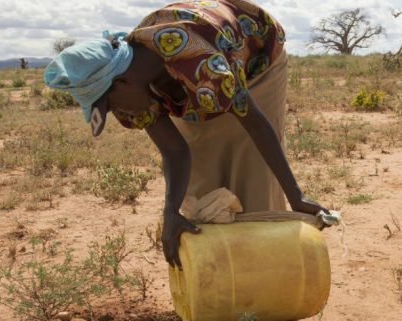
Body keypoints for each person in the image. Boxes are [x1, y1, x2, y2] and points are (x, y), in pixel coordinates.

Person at [43, 0, 328, 268]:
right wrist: (171, 212)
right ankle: (219, 276)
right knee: (203, 174)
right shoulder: (133, 88)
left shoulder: (199, 62)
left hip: (256, 58)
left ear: (122, 82)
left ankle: (265, 270)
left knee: (249, 163)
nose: (116, 113)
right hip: (197, 77)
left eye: (110, 105)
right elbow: (175, 152)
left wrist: (296, 196)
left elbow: (255, 124)